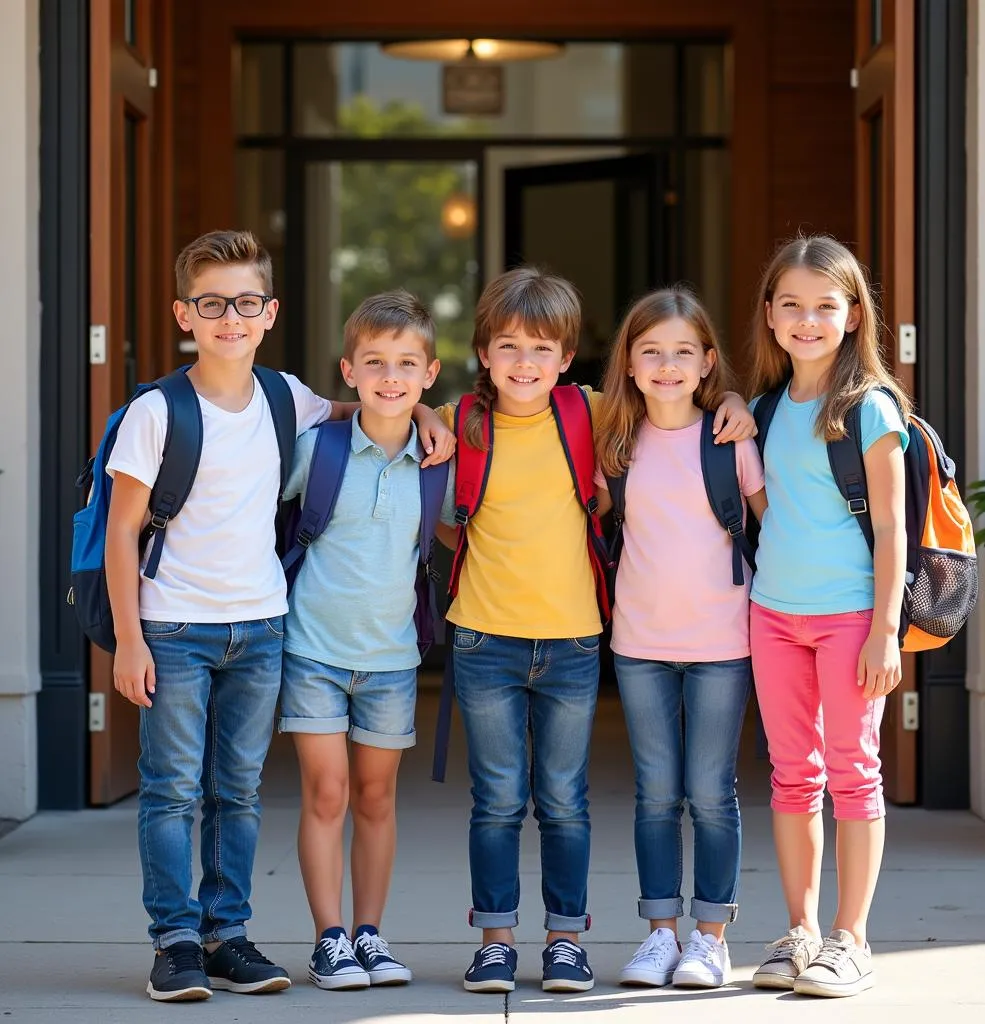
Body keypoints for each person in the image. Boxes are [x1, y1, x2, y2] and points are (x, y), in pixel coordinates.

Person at [105, 231, 452, 1003]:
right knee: (170, 789)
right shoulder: (156, 412)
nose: (231, 318)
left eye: (246, 303)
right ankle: (176, 942)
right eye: (213, 304)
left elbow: (368, 401)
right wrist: (129, 639)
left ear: (270, 313)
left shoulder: (283, 397)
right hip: (173, 628)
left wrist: (426, 409)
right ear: (183, 314)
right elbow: (122, 531)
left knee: (239, 789)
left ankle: (227, 934)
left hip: (262, 627)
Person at [436, 267, 756, 994]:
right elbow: (408, 449)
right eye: (509, 347)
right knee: (496, 799)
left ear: (569, 356)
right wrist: (425, 414)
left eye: (543, 349)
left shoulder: (590, 414)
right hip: (483, 637)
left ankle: (565, 941)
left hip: (576, 639)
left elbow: (679, 398)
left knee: (563, 800)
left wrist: (734, 397)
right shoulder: (463, 423)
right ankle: (494, 939)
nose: (525, 363)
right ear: (483, 352)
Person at [746, 235, 909, 998]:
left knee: (853, 771)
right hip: (774, 614)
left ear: (852, 316)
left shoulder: (870, 407)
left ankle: (853, 940)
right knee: (791, 774)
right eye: (792, 305)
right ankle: (800, 932)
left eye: (824, 305)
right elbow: (768, 509)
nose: (807, 319)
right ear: (771, 317)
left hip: (850, 618)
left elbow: (891, 528)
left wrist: (884, 630)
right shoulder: (765, 407)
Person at [592, 287, 767, 991]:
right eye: (651, 352)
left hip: (723, 639)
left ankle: (710, 936)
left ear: (707, 363)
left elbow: (773, 522)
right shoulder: (616, 442)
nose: (667, 365)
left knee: (711, 791)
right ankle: (660, 932)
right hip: (639, 640)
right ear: (629, 364)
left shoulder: (729, 439)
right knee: (655, 792)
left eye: (682, 353)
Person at [278, 291, 453, 991]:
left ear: (430, 373)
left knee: (376, 799)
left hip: (391, 660)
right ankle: (329, 938)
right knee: (327, 794)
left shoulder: (437, 459)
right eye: (375, 362)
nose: (390, 376)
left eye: (406, 363)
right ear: (348, 371)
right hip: (312, 649)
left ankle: (370, 934)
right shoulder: (316, 449)